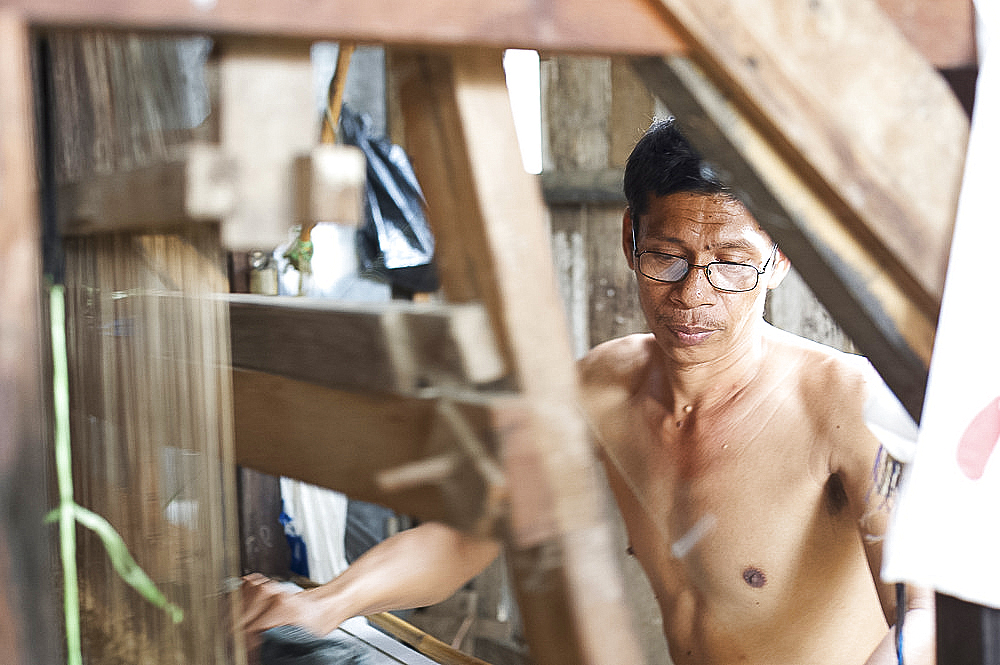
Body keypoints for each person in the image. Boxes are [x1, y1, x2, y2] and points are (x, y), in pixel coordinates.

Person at [241, 118, 933, 665]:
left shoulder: (847, 406)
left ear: (778, 258)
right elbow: (467, 534)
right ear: (630, 237)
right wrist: (325, 604)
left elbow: (925, 620)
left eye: (730, 263)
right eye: (668, 254)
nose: (693, 294)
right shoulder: (600, 389)